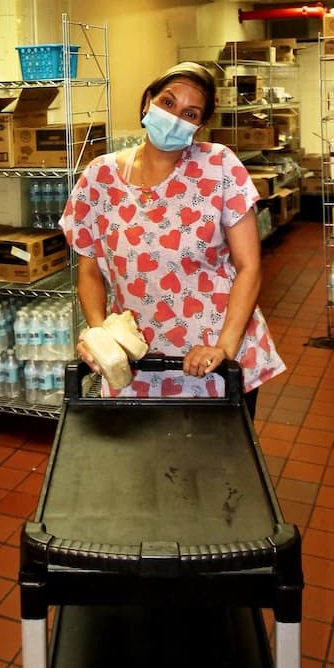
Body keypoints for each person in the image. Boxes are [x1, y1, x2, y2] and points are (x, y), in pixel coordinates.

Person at [59, 60, 285, 415]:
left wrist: (223, 348)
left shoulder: (220, 167)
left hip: (213, 357)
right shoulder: (99, 177)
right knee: (138, 464)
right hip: (135, 362)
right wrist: (100, 335)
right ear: (146, 101)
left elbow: (249, 266)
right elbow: (89, 273)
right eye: (168, 102)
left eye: (190, 113)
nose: (175, 116)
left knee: (216, 466)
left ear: (200, 126)